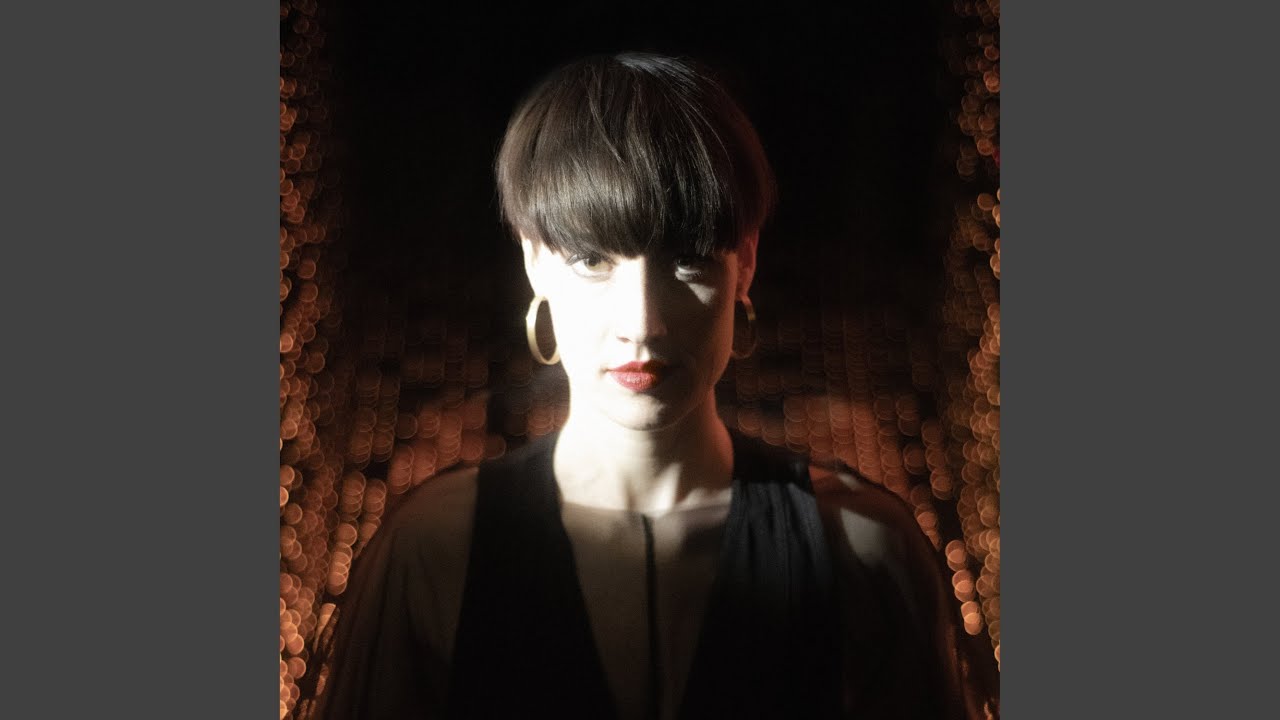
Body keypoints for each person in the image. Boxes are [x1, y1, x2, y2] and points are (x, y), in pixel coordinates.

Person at [309, 52, 976, 720]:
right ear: (535, 260)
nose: (641, 324)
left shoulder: (862, 549)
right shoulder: (434, 551)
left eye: (687, 261)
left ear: (744, 263)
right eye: (592, 260)